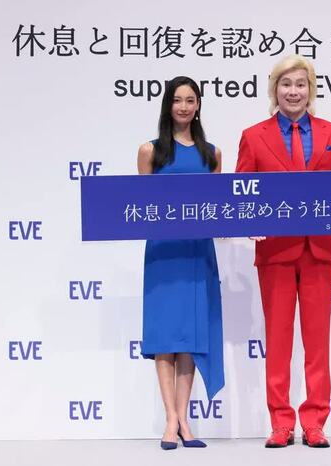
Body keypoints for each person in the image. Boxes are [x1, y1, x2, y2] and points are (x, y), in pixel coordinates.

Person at [235, 55, 331, 448]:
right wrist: (247, 222)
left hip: (319, 248)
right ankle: (281, 422)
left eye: (301, 84)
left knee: (317, 342)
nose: (293, 92)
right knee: (279, 339)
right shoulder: (254, 136)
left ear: (311, 89)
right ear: (275, 90)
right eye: (286, 84)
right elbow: (241, 191)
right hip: (275, 250)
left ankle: (315, 422)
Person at [137, 76, 224, 450]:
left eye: (190, 100)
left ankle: (184, 420)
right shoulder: (150, 151)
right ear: (167, 105)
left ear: (199, 105)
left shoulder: (212, 154)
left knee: (190, 337)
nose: (184, 107)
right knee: (165, 338)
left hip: (197, 252)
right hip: (163, 254)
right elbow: (140, 207)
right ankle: (170, 420)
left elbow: (219, 207)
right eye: (177, 100)